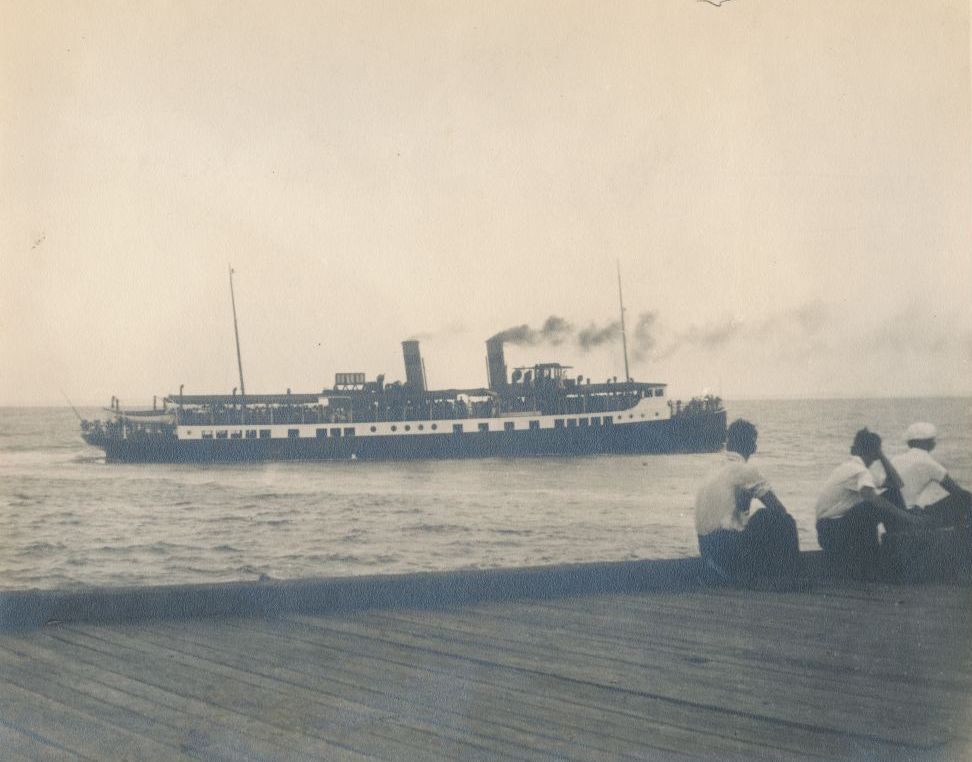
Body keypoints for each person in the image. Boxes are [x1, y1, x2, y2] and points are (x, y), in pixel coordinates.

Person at [695, 419, 800, 588]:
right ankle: (790, 577)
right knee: (780, 520)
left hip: (707, 550)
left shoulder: (713, 470)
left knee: (757, 519)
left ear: (728, 443)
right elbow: (778, 508)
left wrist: (744, 509)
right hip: (726, 549)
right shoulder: (745, 471)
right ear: (752, 446)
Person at [815, 428, 918, 579]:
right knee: (878, 501)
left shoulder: (852, 468)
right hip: (834, 533)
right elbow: (870, 497)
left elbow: (896, 484)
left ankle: (896, 555)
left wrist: (881, 456)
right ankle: (903, 555)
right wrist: (908, 518)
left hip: (829, 533)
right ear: (873, 453)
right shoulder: (858, 470)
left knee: (890, 495)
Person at [892, 422, 972, 530]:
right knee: (965, 497)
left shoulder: (895, 459)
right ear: (928, 443)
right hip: (911, 514)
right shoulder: (929, 462)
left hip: (894, 514)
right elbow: (956, 490)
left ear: (909, 443)